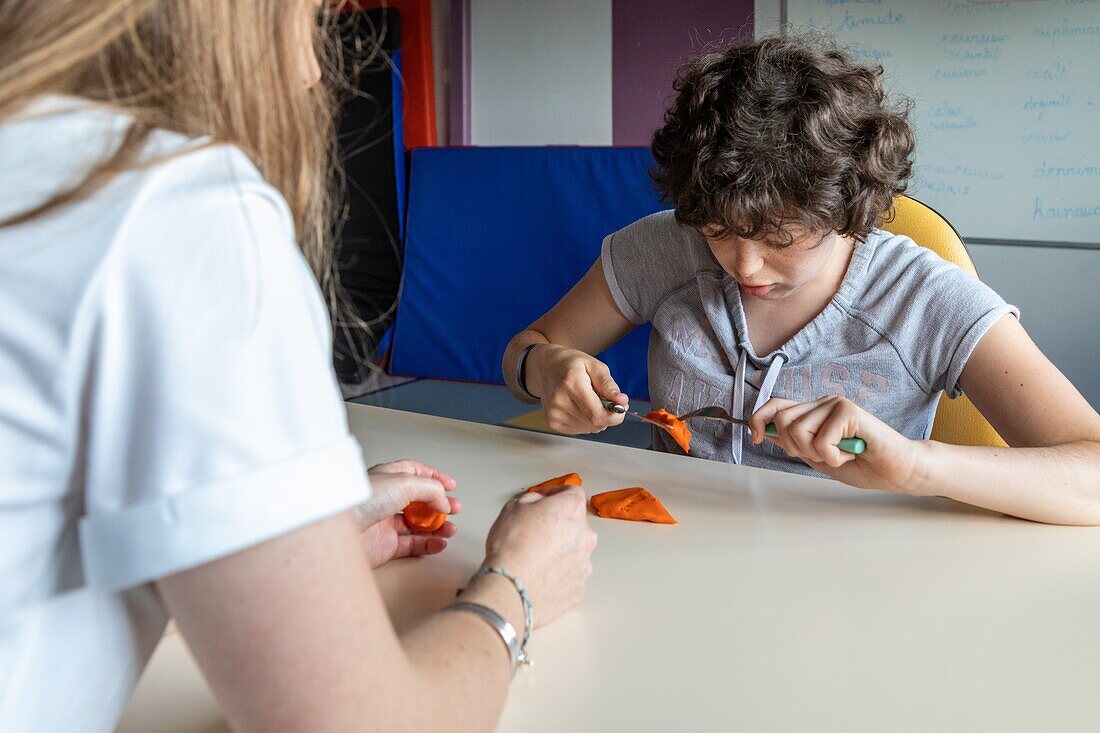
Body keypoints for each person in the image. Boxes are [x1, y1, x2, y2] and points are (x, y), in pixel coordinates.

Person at [0, 1, 595, 730]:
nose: (314, 67)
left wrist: (297, 543)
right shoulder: (178, 209)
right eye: (307, 14)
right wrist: (517, 585)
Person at [503, 33, 1100, 526]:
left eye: (781, 239)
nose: (743, 266)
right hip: (676, 553)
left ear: (850, 210)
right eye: (717, 229)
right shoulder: (665, 248)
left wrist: (914, 467)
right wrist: (545, 370)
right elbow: (524, 349)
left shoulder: (923, 297)